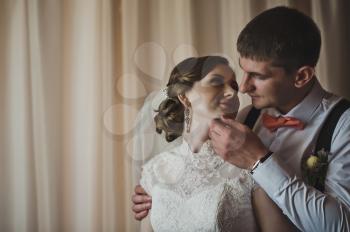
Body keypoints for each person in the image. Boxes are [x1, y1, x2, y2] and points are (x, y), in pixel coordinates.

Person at [208, 6, 350, 231]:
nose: (243, 87)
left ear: (301, 76)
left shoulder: (345, 125)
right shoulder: (247, 116)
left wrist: (260, 161)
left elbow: (341, 226)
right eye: (244, 72)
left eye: (258, 76)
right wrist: (158, 192)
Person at [134, 55, 297, 232]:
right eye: (216, 82)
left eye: (234, 86)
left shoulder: (251, 168)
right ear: (185, 97)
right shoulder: (155, 170)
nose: (232, 92)